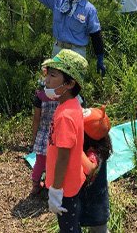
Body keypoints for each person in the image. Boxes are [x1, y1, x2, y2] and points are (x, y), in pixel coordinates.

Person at [0, 0, 106, 75]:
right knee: (54, 87)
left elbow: (96, 35)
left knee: (71, 88)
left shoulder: (88, 9)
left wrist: (100, 58)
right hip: (58, 50)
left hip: (76, 53)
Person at [43, 49, 89, 232]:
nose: (47, 80)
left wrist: (55, 190)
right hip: (71, 182)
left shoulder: (65, 116)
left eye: (53, 75)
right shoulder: (71, 105)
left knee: (69, 229)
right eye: (47, 74)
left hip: (65, 189)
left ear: (69, 83)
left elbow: (63, 157)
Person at [80, 105, 112, 233]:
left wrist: (75, 149)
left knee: (99, 230)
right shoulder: (101, 144)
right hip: (96, 201)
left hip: (93, 203)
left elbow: (90, 168)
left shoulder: (93, 154)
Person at [30, 85, 58, 195]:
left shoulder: (40, 96)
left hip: (42, 135)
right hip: (56, 135)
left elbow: (36, 119)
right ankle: (50, 186)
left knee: (40, 162)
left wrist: (34, 138)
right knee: (55, 163)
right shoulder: (63, 95)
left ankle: (35, 186)